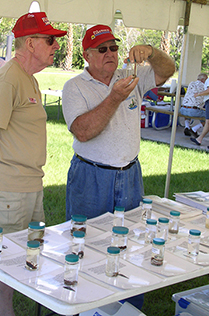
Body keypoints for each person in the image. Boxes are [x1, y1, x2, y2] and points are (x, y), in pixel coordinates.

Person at [62, 24, 174, 310]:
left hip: (130, 174)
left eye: (113, 47)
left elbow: (167, 69)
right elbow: (83, 132)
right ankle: (85, 306)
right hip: (91, 176)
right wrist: (114, 97)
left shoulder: (131, 75)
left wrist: (150, 51)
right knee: (85, 243)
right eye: (102, 49)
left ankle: (127, 307)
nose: (110, 53)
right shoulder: (75, 87)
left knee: (129, 244)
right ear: (87, 55)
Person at [0, 12, 66, 316]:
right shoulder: (9, 79)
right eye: (50, 40)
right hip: (8, 189)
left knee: (19, 258)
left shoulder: (28, 79)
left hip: (27, 186)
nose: (56, 47)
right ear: (30, 43)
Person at [180, 73, 208, 138]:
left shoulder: (191, 83)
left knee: (188, 109)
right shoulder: (204, 86)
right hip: (193, 110)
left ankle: (187, 127)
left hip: (183, 109)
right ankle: (194, 129)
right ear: (203, 80)